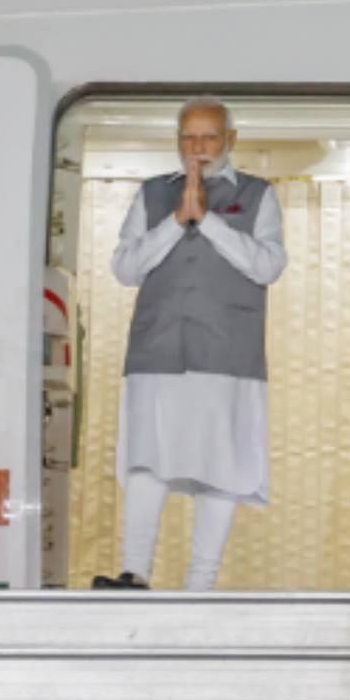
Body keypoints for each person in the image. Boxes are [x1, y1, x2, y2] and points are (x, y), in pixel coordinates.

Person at [91, 96, 288, 592]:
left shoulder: (260, 195)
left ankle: (201, 584)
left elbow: (268, 266)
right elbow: (125, 268)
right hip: (157, 351)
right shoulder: (154, 194)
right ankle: (134, 573)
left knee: (221, 464)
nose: (197, 149)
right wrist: (178, 220)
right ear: (177, 141)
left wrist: (210, 221)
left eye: (209, 137)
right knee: (147, 456)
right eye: (188, 138)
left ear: (230, 141)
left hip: (229, 357)